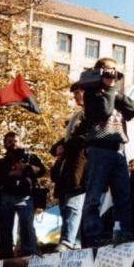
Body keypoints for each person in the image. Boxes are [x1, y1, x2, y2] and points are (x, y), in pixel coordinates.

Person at [80, 57, 134, 247]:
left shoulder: (114, 92)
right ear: (99, 72)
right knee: (94, 197)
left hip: (119, 150)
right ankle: (91, 239)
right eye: (108, 70)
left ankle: (123, 234)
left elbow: (133, 108)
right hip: (99, 148)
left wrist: (114, 90)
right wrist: (109, 89)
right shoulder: (92, 94)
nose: (112, 73)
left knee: (123, 196)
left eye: (114, 70)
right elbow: (104, 111)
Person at [0, 132, 46, 257]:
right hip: (7, 196)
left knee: (27, 225)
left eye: (15, 141)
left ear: (20, 142)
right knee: (5, 226)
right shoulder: (1, 162)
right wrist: (10, 174)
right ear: (5, 144)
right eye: (10, 142)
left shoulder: (30, 157)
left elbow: (42, 170)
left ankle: (29, 252)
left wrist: (27, 167)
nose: (13, 144)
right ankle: (5, 253)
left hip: (25, 197)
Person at [49, 82, 87, 252]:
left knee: (73, 206)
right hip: (67, 171)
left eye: (78, 92)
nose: (75, 96)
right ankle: (74, 243)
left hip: (80, 169)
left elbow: (83, 138)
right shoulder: (76, 116)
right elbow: (66, 140)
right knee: (65, 208)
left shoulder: (91, 114)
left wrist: (65, 146)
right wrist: (57, 148)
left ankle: (67, 241)